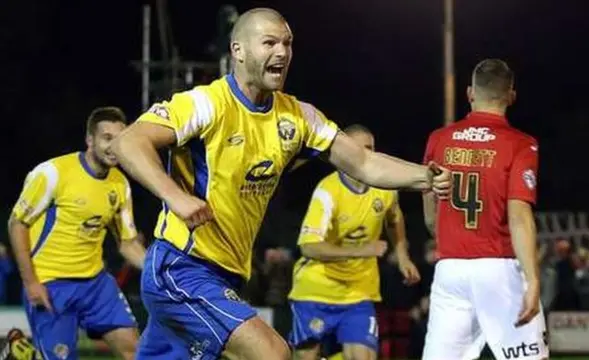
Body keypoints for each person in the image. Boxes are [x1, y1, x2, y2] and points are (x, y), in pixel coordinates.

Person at [111, 7, 451, 360]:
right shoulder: (206, 104)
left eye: (287, 43)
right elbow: (128, 142)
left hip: (226, 275)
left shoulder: (297, 117)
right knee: (273, 353)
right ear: (238, 51)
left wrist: (424, 175)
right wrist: (175, 196)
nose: (282, 52)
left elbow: (362, 162)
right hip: (181, 267)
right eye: (269, 43)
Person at [421, 59, 547, 360]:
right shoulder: (521, 144)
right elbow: (519, 216)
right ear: (511, 96)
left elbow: (429, 212)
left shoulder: (439, 139)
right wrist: (533, 278)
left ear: (469, 93)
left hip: (450, 268)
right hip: (499, 268)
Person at [8, 107, 147, 360]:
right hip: (51, 285)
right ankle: (20, 354)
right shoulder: (52, 173)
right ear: (90, 140)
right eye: (107, 138)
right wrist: (30, 282)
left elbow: (127, 243)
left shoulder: (120, 183)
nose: (113, 146)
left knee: (135, 352)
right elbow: (17, 224)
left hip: (96, 285)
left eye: (120, 138)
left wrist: (157, 271)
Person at [288, 124, 421, 360]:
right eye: (359, 150)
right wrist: (363, 250)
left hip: (359, 292)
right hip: (316, 290)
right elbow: (308, 247)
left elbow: (394, 217)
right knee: (306, 356)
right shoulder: (327, 192)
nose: (365, 155)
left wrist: (402, 256)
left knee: (363, 356)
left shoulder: (384, 188)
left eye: (370, 149)